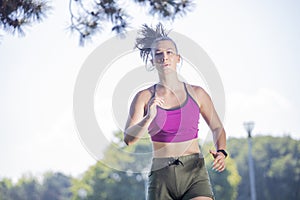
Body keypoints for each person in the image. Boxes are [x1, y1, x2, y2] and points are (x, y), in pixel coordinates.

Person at [124, 23, 227, 200]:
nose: (164, 57)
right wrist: (148, 118)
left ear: (178, 58)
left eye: (169, 52)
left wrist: (222, 151)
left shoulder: (198, 93)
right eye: (158, 53)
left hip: (194, 173)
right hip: (161, 175)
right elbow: (128, 139)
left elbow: (217, 128)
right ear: (152, 61)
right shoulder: (143, 97)